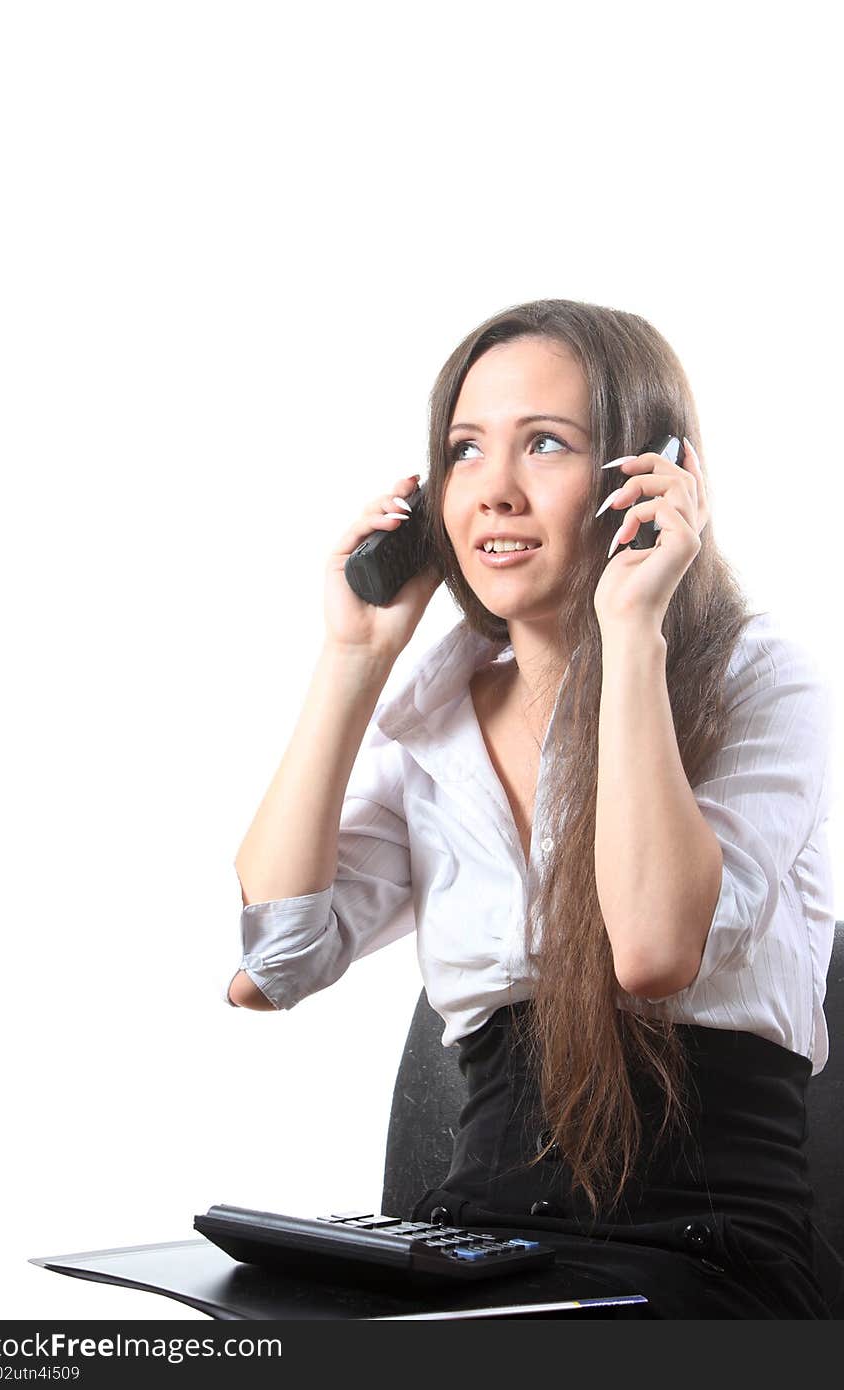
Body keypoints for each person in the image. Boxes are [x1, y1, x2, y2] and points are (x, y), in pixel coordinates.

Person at [225, 298, 841, 1319]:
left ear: (645, 474)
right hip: (479, 1246)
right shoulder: (431, 719)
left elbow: (649, 951)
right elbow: (275, 964)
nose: (493, 492)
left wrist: (632, 629)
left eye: (545, 444)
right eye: (464, 451)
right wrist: (353, 660)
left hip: (704, 1252)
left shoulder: (759, 678)